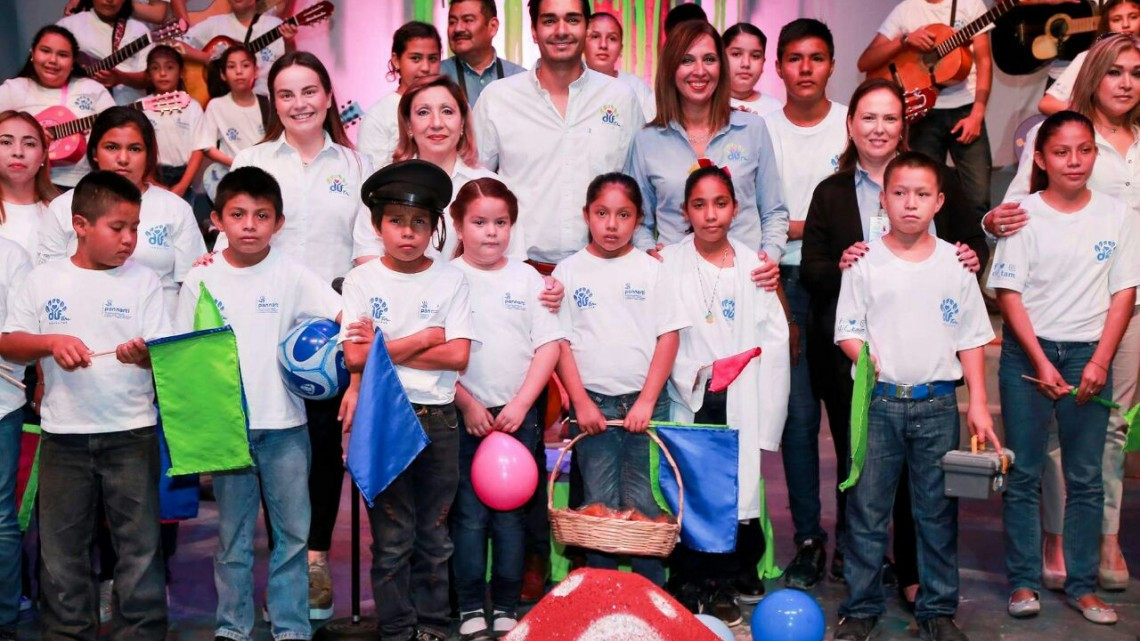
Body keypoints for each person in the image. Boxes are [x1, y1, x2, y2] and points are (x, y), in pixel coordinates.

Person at [800, 78, 988, 597]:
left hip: (924, 363)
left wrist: (972, 256)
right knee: (861, 474)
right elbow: (812, 269)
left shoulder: (936, 178)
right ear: (851, 125)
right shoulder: (831, 191)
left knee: (923, 488)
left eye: (889, 118)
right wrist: (842, 265)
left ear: (902, 126)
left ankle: (910, 574)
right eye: (868, 117)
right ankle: (856, 572)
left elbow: (969, 245)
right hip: (853, 360)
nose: (878, 128)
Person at [986, 34, 1140, 591]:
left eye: (1136, 72)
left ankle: (1093, 559)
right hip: (1051, 331)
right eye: (1115, 72)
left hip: (1112, 320)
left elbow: (1126, 281)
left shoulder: (1130, 172)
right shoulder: (1048, 170)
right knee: (1036, 455)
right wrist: (989, 226)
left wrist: (1100, 353)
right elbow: (1012, 240)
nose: (1126, 83)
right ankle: (1039, 558)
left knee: (1102, 448)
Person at [226, 51, 373, 620]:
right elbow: (231, 243)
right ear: (273, 102)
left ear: (329, 95)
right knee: (268, 448)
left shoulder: (356, 165)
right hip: (263, 327)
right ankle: (279, 566)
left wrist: (354, 322)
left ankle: (313, 561)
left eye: (309, 91)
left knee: (320, 451)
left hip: (328, 336)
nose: (299, 104)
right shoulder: (253, 157)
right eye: (286, 94)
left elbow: (366, 252)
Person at [832, 152, 997, 641]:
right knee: (867, 510)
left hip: (938, 406)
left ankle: (938, 610)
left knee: (937, 512)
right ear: (883, 200)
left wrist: (980, 404)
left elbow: (971, 338)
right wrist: (866, 359)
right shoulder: (864, 261)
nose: (910, 204)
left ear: (939, 201)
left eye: (922, 194)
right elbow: (847, 329)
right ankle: (860, 606)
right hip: (878, 404)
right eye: (899, 193)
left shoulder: (956, 264)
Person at [1, 170, 170, 641]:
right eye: (117, 228)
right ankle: (68, 633)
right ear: (80, 224)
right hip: (63, 436)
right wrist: (51, 342)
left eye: (135, 228)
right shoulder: (42, 279)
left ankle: (140, 632)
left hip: (133, 432)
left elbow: (165, 351)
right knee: (61, 552)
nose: (129, 239)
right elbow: (9, 342)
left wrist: (146, 354)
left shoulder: (145, 282)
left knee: (139, 548)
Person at [175, 166, 340, 641]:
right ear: (217, 221)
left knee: (292, 537)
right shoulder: (200, 278)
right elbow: (184, 351)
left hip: (286, 427)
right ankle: (233, 627)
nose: (250, 224)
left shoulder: (292, 274)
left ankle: (290, 627)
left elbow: (342, 314)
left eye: (262, 215)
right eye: (238, 214)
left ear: (279, 223)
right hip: (229, 429)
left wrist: (354, 335)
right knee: (232, 539)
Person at [340, 160, 475, 641]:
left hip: (438, 419)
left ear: (435, 227)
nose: (408, 233)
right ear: (378, 227)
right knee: (392, 540)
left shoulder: (450, 279)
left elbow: (458, 355)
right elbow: (355, 358)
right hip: (383, 416)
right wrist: (423, 338)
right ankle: (397, 629)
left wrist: (384, 347)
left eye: (420, 223)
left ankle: (434, 627)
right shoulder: (361, 282)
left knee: (434, 535)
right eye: (396, 221)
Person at [661, 165, 790, 625]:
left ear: (735, 209)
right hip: (691, 393)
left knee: (730, 497)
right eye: (699, 205)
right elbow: (662, 332)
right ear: (685, 212)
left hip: (739, 396)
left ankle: (721, 585)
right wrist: (695, 373)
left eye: (720, 204)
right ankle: (688, 579)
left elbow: (774, 340)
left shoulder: (754, 267)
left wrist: (763, 401)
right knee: (688, 493)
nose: (710, 215)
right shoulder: (668, 264)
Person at [552, 172, 687, 587]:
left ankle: (649, 597)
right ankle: (601, 594)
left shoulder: (652, 269)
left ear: (638, 219)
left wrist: (647, 400)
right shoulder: (569, 271)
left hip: (646, 404)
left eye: (623, 214)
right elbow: (559, 342)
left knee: (648, 503)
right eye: (602, 213)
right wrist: (580, 402)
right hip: (593, 406)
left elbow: (669, 335)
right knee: (598, 504)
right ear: (586, 216)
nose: (612, 225)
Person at [449, 178, 564, 641]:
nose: (491, 233)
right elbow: (436, 352)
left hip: (518, 417)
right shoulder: (445, 278)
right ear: (458, 225)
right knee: (470, 516)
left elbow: (549, 346)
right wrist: (469, 404)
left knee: (512, 516)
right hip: (463, 415)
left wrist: (521, 404)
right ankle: (472, 604)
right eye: (479, 222)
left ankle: (509, 604)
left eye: (500, 223)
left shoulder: (528, 279)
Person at [758, 18, 846, 591]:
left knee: (851, 419)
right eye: (794, 58)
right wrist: (819, 229)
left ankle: (860, 543)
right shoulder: (761, 130)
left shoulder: (851, 125)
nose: (805, 68)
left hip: (847, 285)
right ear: (780, 67)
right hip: (782, 287)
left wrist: (799, 227)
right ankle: (809, 538)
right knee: (796, 420)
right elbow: (756, 216)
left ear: (832, 64)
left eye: (816, 58)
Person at [473, 0, 644, 267]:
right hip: (518, 273)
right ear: (533, 30)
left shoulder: (620, 98)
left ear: (586, 27)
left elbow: (637, 186)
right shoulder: (498, 99)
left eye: (573, 20)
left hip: (604, 270)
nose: (561, 30)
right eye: (550, 20)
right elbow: (473, 184)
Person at [626, 19, 787, 274]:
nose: (700, 71)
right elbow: (636, 219)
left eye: (710, 59)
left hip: (746, 278)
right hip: (676, 281)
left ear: (721, 67)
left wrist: (769, 256)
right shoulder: (647, 141)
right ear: (670, 69)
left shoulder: (752, 129)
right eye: (687, 60)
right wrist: (649, 254)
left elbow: (774, 211)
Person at [39, 107, 205, 315]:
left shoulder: (175, 208)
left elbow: (193, 287)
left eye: (135, 149)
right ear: (94, 153)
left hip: (160, 334)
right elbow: (48, 279)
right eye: (112, 147)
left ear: (149, 156)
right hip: (83, 331)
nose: (123, 158)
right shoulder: (64, 207)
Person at [355, 75, 525, 263]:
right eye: (423, 112)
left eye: (447, 111)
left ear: (462, 123)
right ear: (409, 125)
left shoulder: (491, 186)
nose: (436, 123)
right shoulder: (384, 185)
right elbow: (367, 256)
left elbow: (512, 263)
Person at [857, 0, 993, 219]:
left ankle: (975, 250)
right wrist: (904, 41)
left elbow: (984, 61)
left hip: (966, 110)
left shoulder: (971, 5)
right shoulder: (907, 9)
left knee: (977, 196)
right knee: (923, 193)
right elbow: (865, 62)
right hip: (922, 112)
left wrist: (977, 114)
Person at [0, 25, 115, 190]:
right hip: (23, 186)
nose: (52, 60)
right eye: (45, 51)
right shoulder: (13, 89)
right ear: (32, 53)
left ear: (74, 61)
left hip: (84, 185)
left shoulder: (92, 89)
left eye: (62, 55)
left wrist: (92, 136)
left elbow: (117, 129)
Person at [357, 22, 442, 169]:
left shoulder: (453, 107)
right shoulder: (380, 115)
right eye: (415, 58)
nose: (426, 68)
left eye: (432, 59)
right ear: (396, 60)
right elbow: (371, 177)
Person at [194, 46, 268, 210]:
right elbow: (207, 146)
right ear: (222, 74)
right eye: (231, 66)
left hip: (264, 174)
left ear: (255, 71)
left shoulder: (267, 103)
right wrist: (235, 162)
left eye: (245, 65)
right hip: (232, 174)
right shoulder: (216, 106)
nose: (239, 71)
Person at [0, 235, 29, 641]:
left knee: (1, 516)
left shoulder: (11, 254)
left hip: (2, 400)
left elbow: (22, 334)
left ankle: (4, 616)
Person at [1039, 0, 1140, 115]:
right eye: (1116, 19)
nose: (1125, 24)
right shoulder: (1089, 57)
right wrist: (1095, 116)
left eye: (1133, 17)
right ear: (1107, 24)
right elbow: (1047, 104)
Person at [180, 0, 298, 98]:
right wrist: (206, 58)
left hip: (266, 105)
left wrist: (288, 42)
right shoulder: (214, 24)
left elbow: (291, 67)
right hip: (223, 107)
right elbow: (173, 45)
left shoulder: (274, 25)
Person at [57, 0, 151, 105]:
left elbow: (150, 77)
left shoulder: (139, 30)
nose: (110, 0)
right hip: (79, 107)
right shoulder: (69, 25)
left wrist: (121, 78)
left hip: (128, 109)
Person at [143, 45, 204, 201]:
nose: (162, 73)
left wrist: (183, 185)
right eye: (155, 68)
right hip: (152, 175)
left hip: (184, 177)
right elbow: (139, 149)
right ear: (148, 74)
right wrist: (151, 180)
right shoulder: (140, 106)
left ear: (181, 72)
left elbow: (199, 149)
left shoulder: (192, 106)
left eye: (169, 67)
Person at [441, 0, 526, 108]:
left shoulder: (519, 78)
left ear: (493, 26)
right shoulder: (436, 75)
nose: (458, 29)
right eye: (452, 22)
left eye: (468, 20)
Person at [0, 111, 57, 254]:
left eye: (29, 144)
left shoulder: (62, 210)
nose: (18, 152)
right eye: (6, 142)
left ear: (44, 155)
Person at [584, 11, 656, 121]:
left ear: (621, 49)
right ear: (581, 44)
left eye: (612, 38)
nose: (603, 45)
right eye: (595, 36)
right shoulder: (568, 85)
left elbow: (649, 133)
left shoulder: (637, 88)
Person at [723, 23, 781, 117]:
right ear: (721, 58)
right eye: (736, 54)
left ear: (763, 63)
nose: (746, 64)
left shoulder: (775, 109)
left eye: (755, 56)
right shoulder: (707, 104)